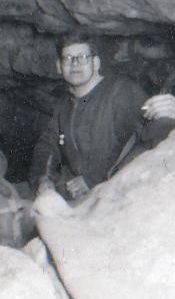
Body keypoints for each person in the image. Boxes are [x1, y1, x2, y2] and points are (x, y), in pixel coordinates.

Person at [29, 32, 149, 199]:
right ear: (59, 66)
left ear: (96, 62)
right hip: (78, 191)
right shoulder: (63, 105)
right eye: (68, 58)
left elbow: (137, 139)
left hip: (121, 191)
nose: (75, 64)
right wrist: (43, 179)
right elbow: (48, 145)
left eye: (82, 57)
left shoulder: (121, 91)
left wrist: (91, 180)